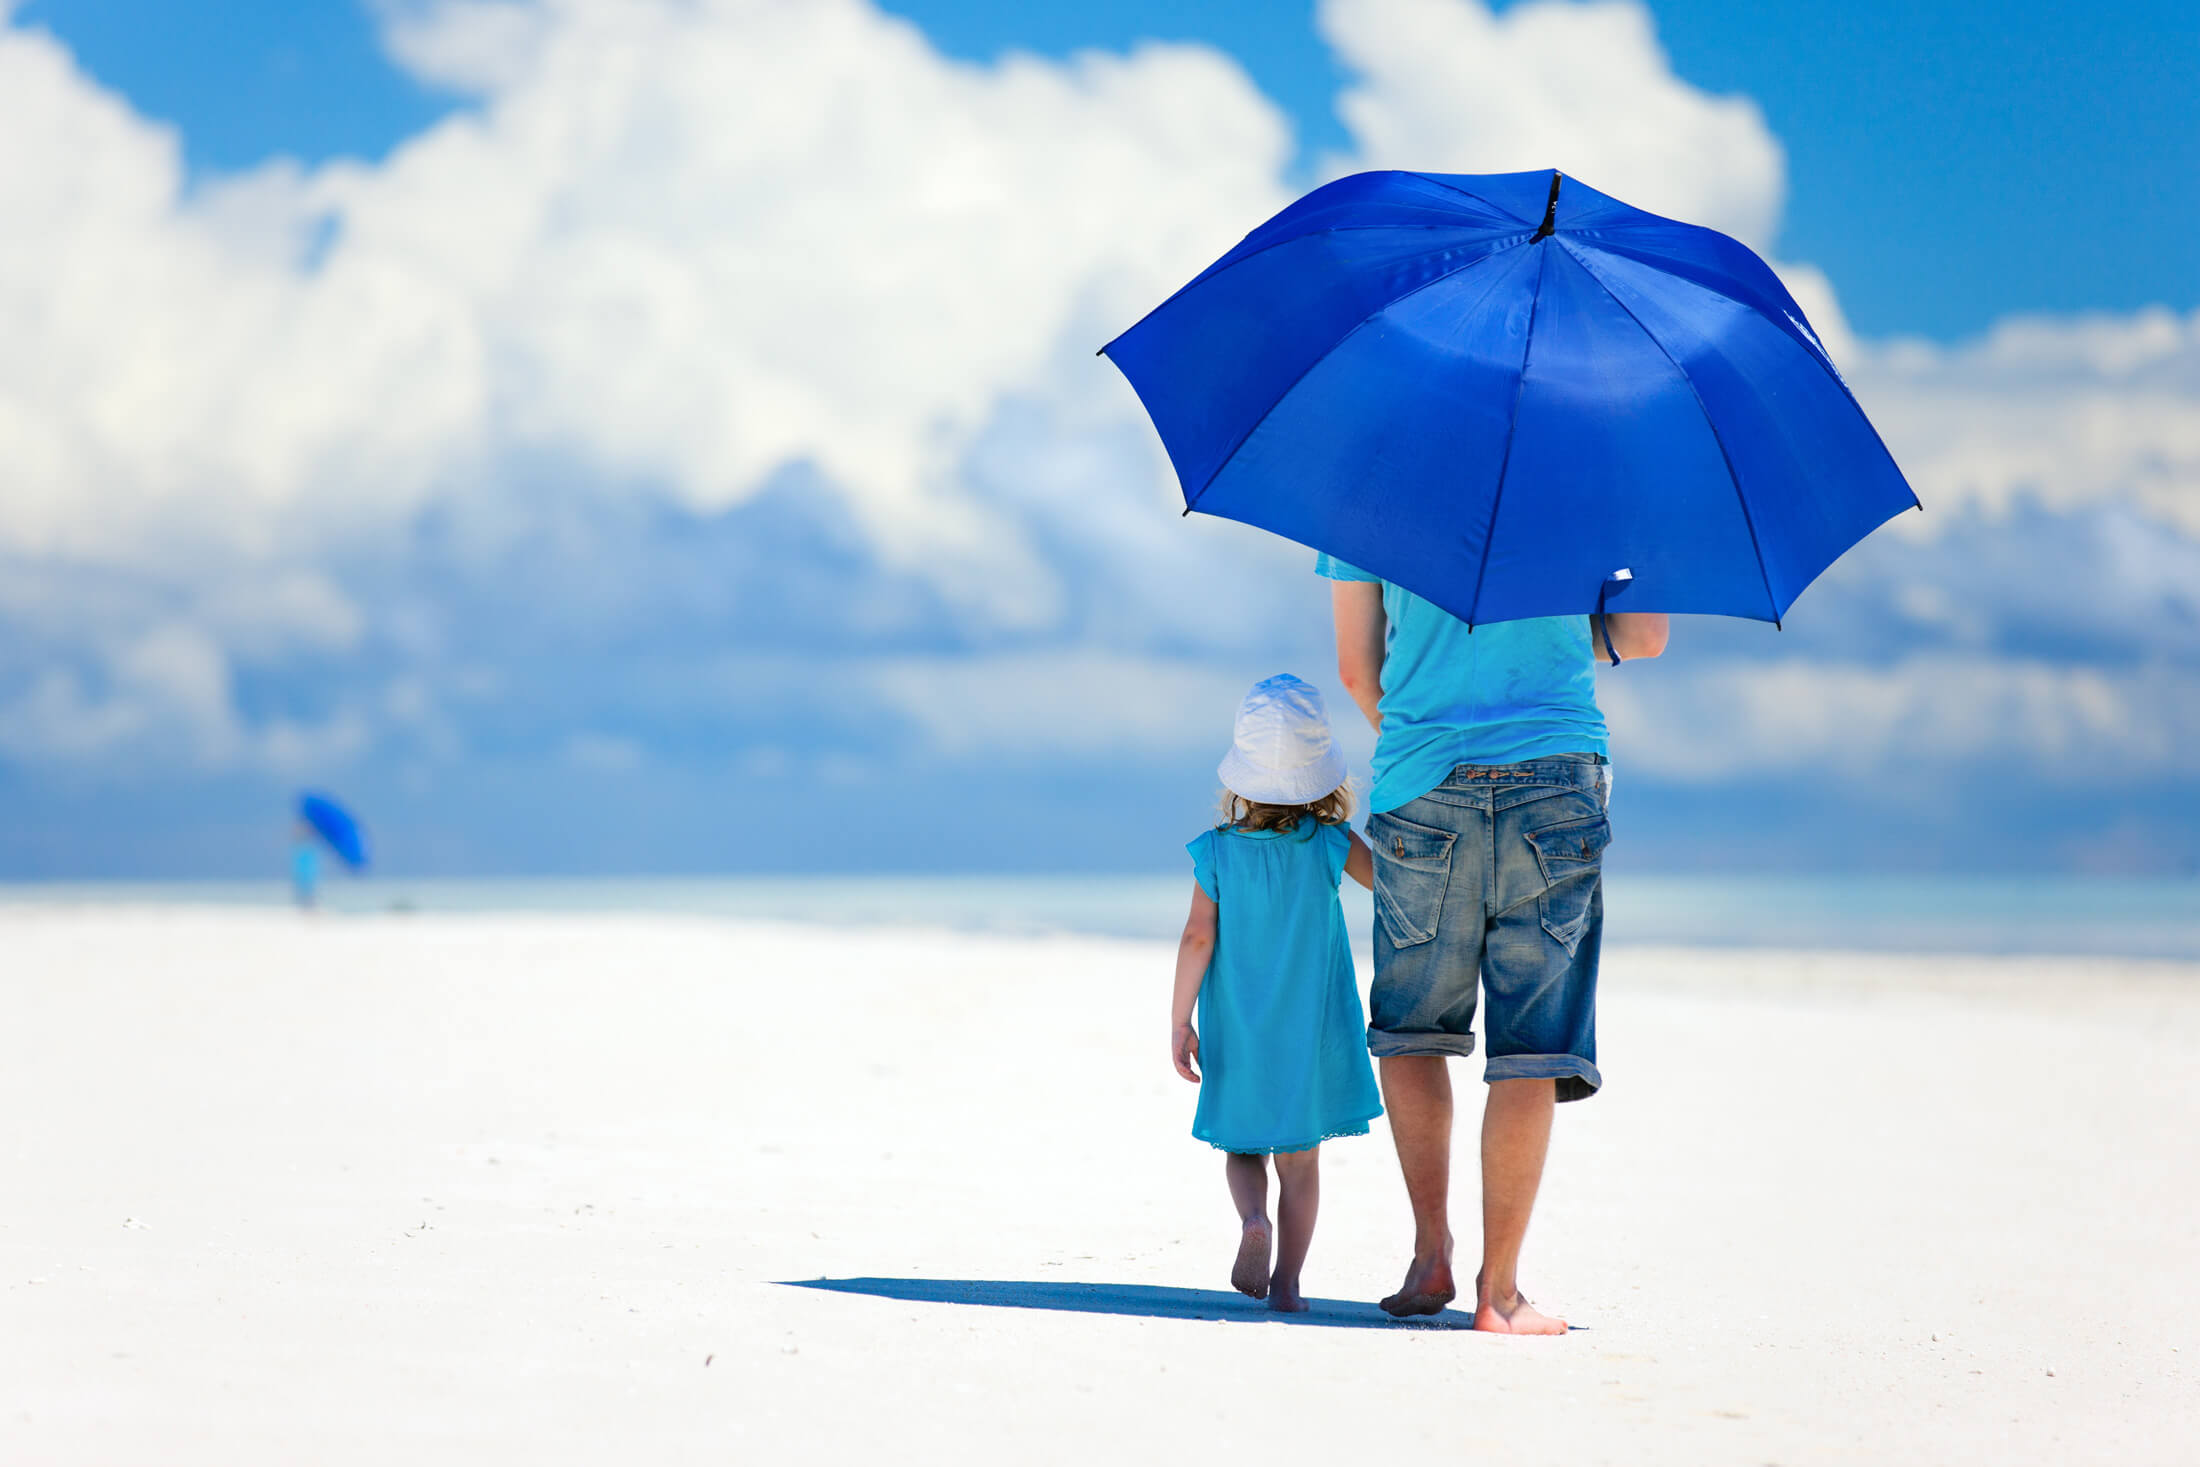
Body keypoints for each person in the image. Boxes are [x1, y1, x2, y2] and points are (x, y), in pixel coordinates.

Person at [1323, 554, 1668, 1333]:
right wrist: (1568, 629)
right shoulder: (1597, 480)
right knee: (1533, 1046)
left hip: (1423, 782)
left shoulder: (1372, 484)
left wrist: (1430, 746)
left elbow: (1355, 669)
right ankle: (1499, 1292)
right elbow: (1644, 637)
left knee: (1413, 1030)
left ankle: (1428, 1253)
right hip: (1555, 779)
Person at [1169, 674, 1382, 1314]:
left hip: (1237, 1025)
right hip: (1309, 1029)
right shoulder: (1331, 843)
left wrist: (1179, 1022)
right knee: (1301, 1160)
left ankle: (1252, 1220)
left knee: (1241, 1145)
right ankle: (1288, 1282)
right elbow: (1394, 889)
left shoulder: (1215, 853)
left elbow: (1196, 941)